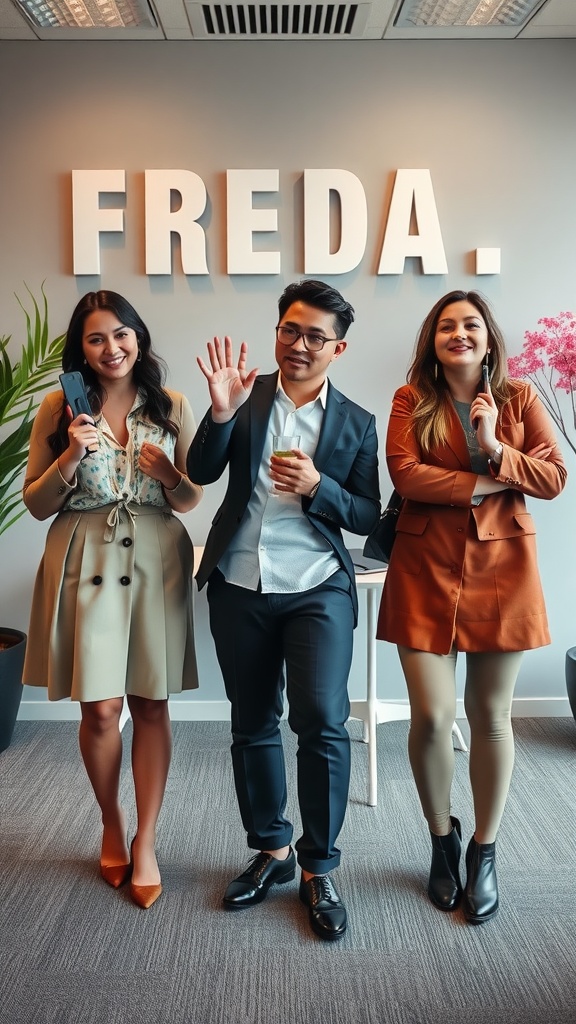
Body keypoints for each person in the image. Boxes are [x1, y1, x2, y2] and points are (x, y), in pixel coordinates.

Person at [187, 279, 380, 941]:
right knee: (252, 720)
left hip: (317, 587)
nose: (298, 345)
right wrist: (219, 413)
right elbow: (202, 471)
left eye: (314, 337)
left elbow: (368, 516)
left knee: (322, 721)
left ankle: (318, 868)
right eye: (289, 330)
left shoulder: (356, 422)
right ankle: (271, 849)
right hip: (241, 582)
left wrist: (320, 486)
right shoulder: (245, 394)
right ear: (278, 332)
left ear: (338, 347)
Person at [377, 290, 566, 924]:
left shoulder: (520, 399)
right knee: (431, 717)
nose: (459, 334)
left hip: (502, 571)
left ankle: (484, 850)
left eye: (471, 325)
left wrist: (494, 444)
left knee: (492, 717)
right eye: (447, 326)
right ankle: (441, 839)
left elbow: (553, 477)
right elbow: (406, 476)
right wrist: (491, 481)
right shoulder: (411, 401)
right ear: (433, 340)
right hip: (423, 567)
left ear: (489, 339)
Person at [22, 291, 203, 909]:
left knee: (151, 703)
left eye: (122, 334)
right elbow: (36, 503)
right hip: (86, 556)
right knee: (99, 710)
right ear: (81, 348)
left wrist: (169, 475)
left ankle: (146, 838)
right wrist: (72, 453)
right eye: (97, 339)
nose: (112, 348)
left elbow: (189, 500)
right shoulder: (58, 406)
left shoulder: (171, 403)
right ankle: (110, 822)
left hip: (156, 558)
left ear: (139, 337)